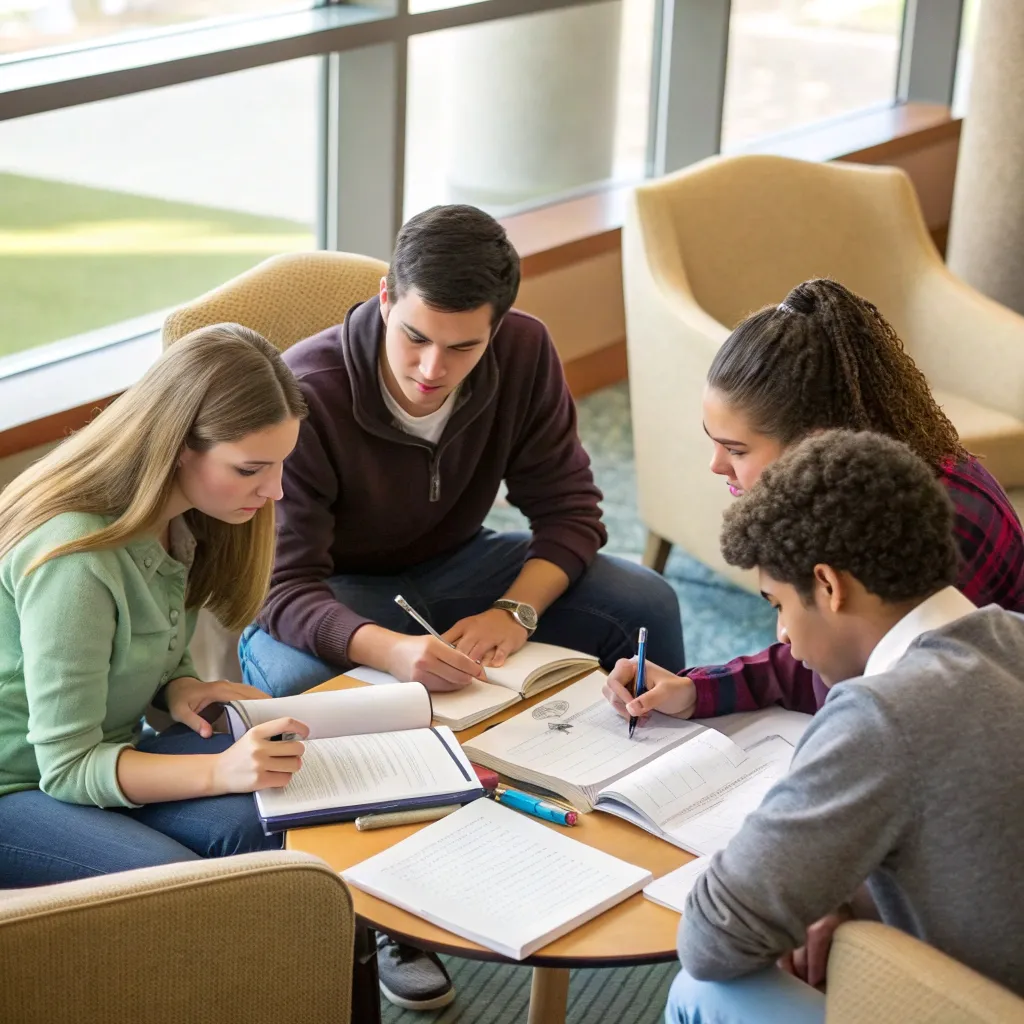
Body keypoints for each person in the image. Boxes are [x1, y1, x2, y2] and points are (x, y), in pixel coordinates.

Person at [238, 203, 684, 1011]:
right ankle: (387, 921)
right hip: (332, 590)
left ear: (499, 327)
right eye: (414, 336)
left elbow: (571, 513)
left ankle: (651, 812)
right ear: (385, 297)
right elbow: (282, 589)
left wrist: (516, 611)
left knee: (640, 598)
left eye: (462, 346)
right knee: (304, 682)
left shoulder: (525, 350)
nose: (432, 369)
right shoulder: (308, 388)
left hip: (463, 562)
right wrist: (391, 652)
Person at [663, 429, 1024, 1022]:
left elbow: (713, 938)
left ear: (828, 586)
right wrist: (846, 897)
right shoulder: (1009, 636)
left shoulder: (883, 716)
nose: (781, 634)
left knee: (701, 993)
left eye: (777, 604)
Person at [603, 277, 1024, 723]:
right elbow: (821, 657)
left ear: (814, 440)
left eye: (737, 449)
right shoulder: (844, 502)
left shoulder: (932, 523)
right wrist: (695, 690)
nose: (717, 466)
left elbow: (876, 691)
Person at [0, 323, 309, 887]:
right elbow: (66, 767)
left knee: (276, 825)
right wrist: (220, 770)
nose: (276, 491)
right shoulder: (74, 560)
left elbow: (148, 652)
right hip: (18, 785)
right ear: (178, 448)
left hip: (108, 749)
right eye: (251, 468)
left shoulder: (179, 525)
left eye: (280, 462)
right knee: (182, 893)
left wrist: (179, 686)